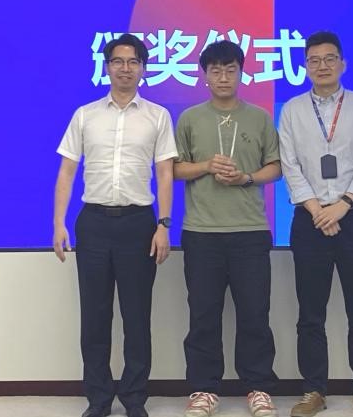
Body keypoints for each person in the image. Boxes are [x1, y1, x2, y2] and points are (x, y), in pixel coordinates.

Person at [53, 33, 176, 417]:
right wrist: (58, 223)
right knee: (95, 317)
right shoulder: (85, 115)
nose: (126, 68)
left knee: (137, 317)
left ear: (143, 68)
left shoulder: (157, 116)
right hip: (93, 223)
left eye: (133, 61)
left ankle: (135, 398)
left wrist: (163, 224)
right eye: (118, 61)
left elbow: (165, 174)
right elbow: (67, 171)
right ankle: (99, 399)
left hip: (139, 224)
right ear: (106, 67)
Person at [278, 31, 353, 417]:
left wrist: (342, 205)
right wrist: (317, 210)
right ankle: (314, 391)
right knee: (310, 313)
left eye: (329, 59)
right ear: (305, 67)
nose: (322, 66)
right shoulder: (292, 110)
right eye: (314, 60)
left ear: (342, 63)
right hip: (308, 221)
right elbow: (290, 165)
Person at [173, 40, 282, 417]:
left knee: (255, 313)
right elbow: (174, 169)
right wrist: (206, 166)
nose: (223, 77)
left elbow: (276, 167)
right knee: (203, 314)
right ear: (204, 75)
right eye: (216, 70)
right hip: (201, 231)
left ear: (241, 73)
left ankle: (258, 387)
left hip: (250, 231)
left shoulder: (260, 118)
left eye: (230, 69)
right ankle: (204, 389)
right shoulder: (189, 118)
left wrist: (246, 178)